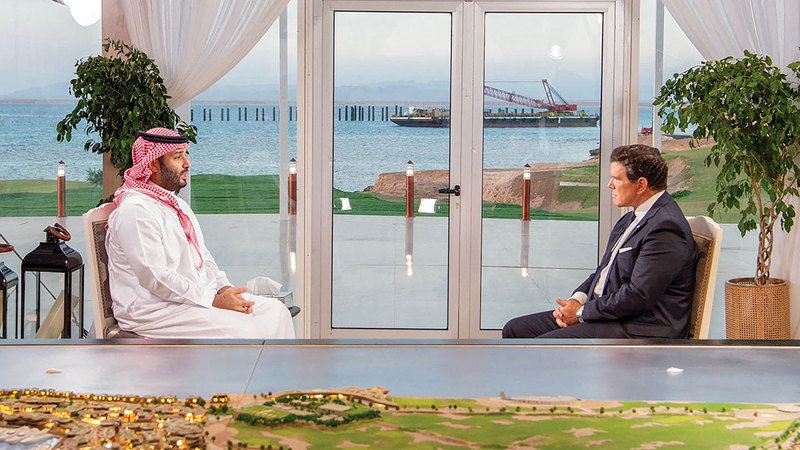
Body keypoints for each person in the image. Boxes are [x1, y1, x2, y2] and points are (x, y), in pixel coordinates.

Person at [105, 127, 295, 339]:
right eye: (178, 157)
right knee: (245, 329)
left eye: (186, 155)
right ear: (153, 165)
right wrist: (213, 300)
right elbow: (155, 276)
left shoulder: (176, 204)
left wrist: (223, 289)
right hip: (154, 311)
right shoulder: (136, 211)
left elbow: (202, 257)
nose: (187, 164)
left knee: (276, 312)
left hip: (191, 299)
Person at [503, 144, 697, 339]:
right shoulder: (631, 218)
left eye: (617, 179)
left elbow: (637, 296)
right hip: (609, 314)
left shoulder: (665, 228)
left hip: (640, 328)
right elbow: (603, 271)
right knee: (515, 329)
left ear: (640, 185)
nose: (610, 185)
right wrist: (575, 301)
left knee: (541, 346)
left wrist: (580, 313)